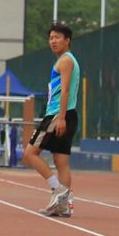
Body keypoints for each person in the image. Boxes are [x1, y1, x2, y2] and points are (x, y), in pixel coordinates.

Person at [28, 24, 79, 218]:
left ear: (68, 40)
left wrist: (61, 117)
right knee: (61, 161)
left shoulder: (65, 61)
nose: (53, 41)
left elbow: (65, 90)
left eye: (57, 37)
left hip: (58, 114)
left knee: (30, 153)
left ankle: (59, 190)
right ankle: (63, 206)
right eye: (51, 38)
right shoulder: (67, 60)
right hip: (68, 113)